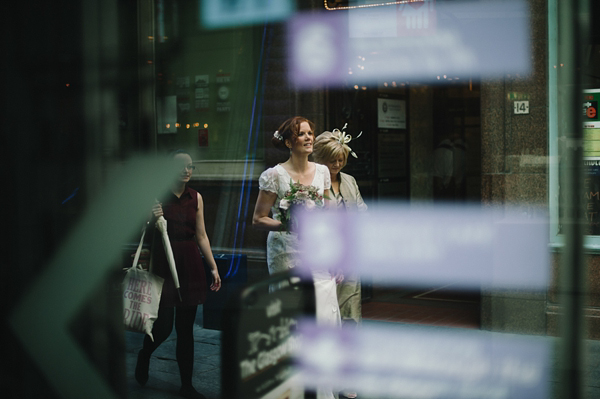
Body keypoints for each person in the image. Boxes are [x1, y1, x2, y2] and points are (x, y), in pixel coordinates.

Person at [252, 116, 341, 399]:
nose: (308, 137)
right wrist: (287, 223)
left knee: (323, 312)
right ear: (289, 142)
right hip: (285, 251)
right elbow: (258, 218)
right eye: (301, 134)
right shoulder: (274, 175)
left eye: (310, 133)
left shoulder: (322, 173)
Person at [135, 150, 221, 399]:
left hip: (190, 261)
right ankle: (145, 354)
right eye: (181, 166)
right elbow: (142, 231)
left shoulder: (196, 197)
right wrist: (151, 218)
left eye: (190, 166)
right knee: (162, 327)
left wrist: (213, 266)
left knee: (186, 329)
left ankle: (186, 385)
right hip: (164, 261)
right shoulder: (157, 197)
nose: (186, 170)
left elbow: (202, 234)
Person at [313, 127, 367, 399]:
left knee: (350, 319)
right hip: (322, 263)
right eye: (332, 160)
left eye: (341, 160)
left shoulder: (349, 181)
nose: (337, 165)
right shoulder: (310, 182)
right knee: (325, 320)